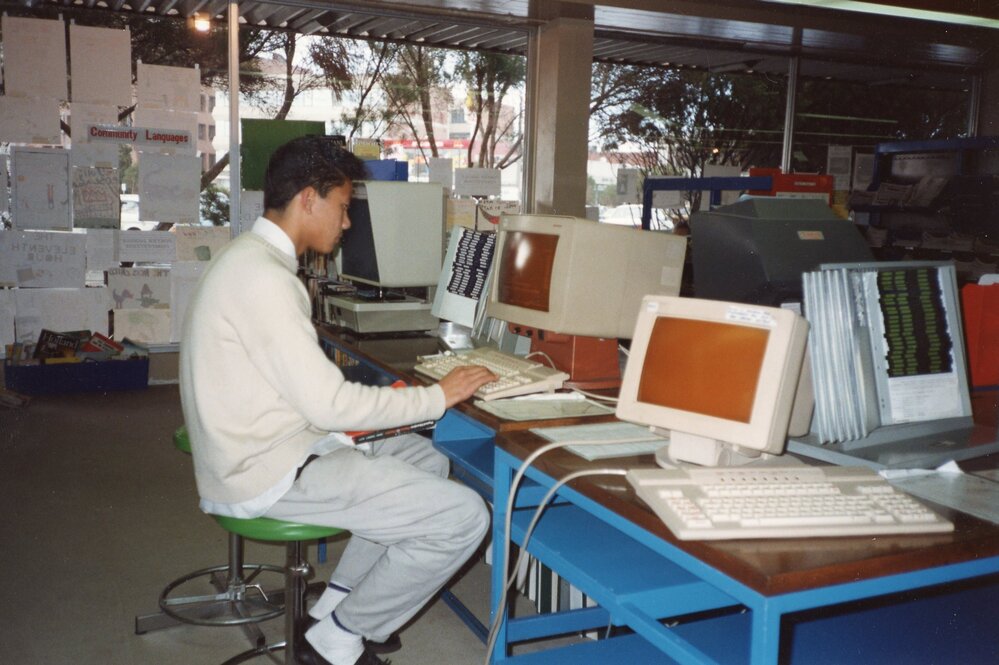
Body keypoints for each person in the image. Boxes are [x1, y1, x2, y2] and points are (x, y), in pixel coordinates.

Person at [179, 136, 496, 665]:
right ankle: (339, 639)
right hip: (263, 471)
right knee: (465, 518)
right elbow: (330, 405)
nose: (346, 224)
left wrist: (391, 411)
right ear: (309, 198)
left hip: (266, 445)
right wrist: (436, 397)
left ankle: (336, 604)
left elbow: (305, 393)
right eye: (343, 208)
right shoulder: (265, 279)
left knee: (427, 460)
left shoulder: (250, 259)